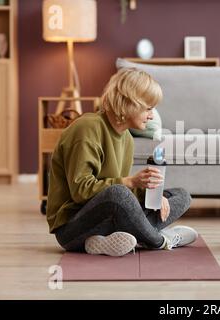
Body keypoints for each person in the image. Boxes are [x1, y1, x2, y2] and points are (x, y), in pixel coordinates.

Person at [46, 67, 198, 257]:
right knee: (119, 193)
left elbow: (121, 193)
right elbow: (81, 191)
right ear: (129, 103)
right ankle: (159, 240)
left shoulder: (126, 138)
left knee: (180, 196)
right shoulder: (87, 128)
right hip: (72, 228)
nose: (151, 115)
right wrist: (130, 182)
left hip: (107, 217)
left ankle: (108, 242)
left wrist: (150, 194)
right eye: (148, 108)